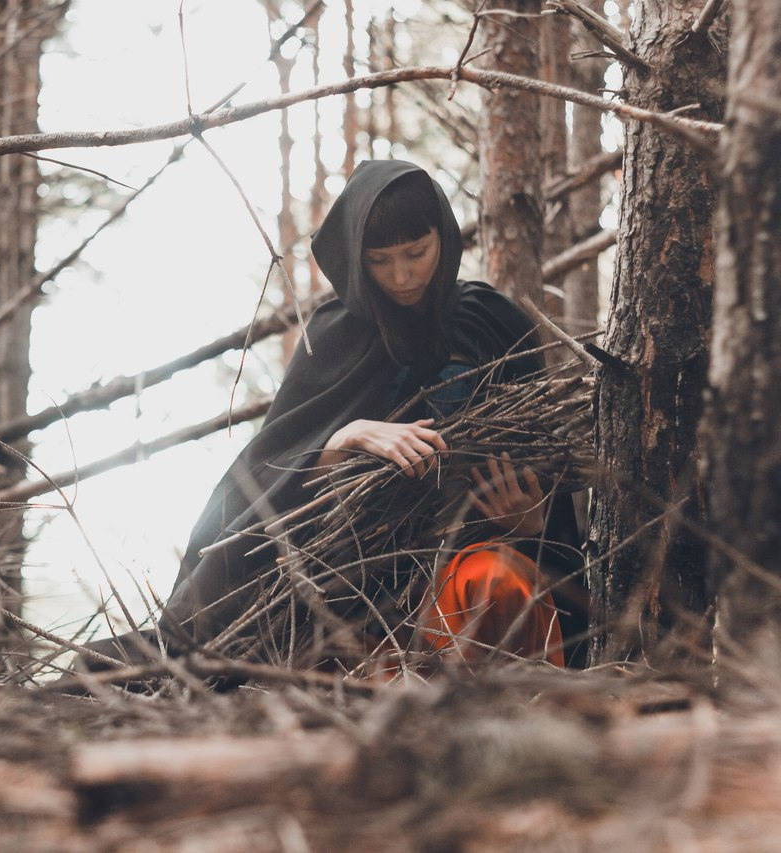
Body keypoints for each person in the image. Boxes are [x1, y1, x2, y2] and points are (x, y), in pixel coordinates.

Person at [83, 160, 584, 675]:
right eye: (379, 260)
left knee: (498, 582)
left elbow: (548, 476)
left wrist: (531, 527)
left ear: (445, 237)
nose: (402, 276)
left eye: (417, 252)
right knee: (113, 669)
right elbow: (267, 487)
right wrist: (342, 441)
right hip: (349, 588)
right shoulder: (333, 340)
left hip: (464, 579)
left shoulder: (491, 322)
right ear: (355, 258)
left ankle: (492, 716)